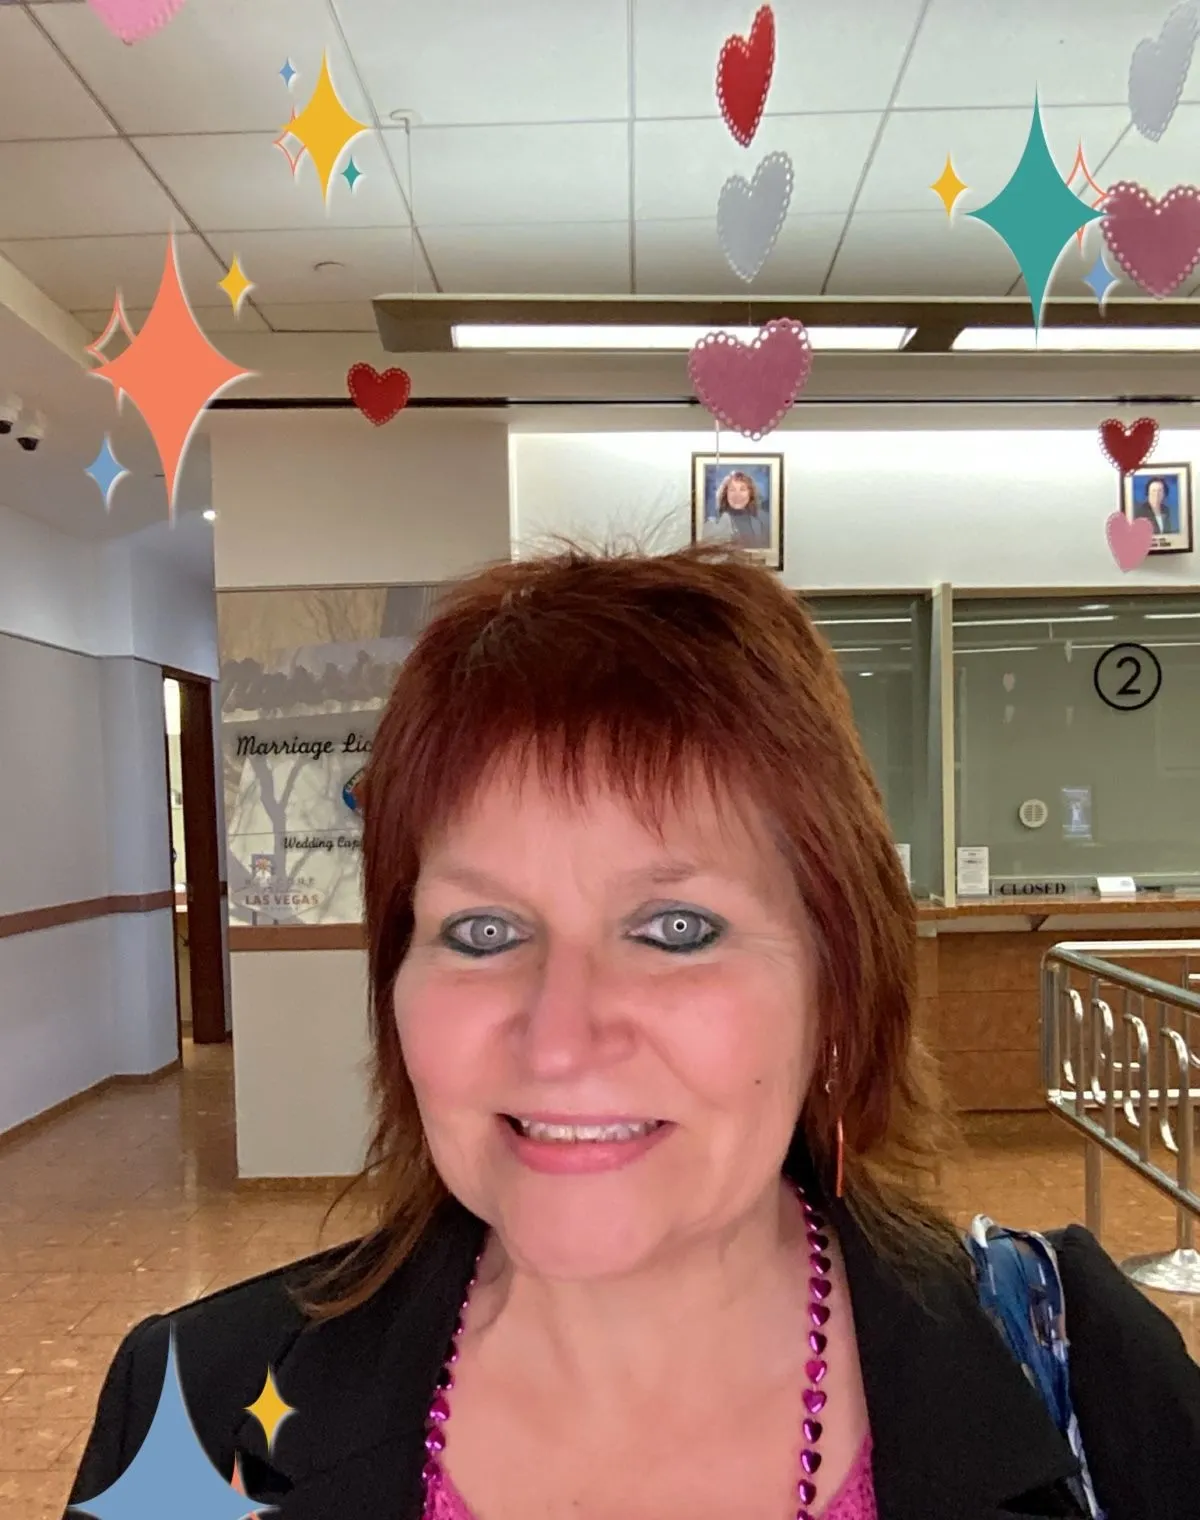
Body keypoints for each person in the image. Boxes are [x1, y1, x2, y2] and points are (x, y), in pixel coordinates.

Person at [69, 544, 1198, 1520]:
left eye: (675, 928)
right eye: (483, 930)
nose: (559, 1039)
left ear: (838, 985)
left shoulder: (1081, 1372)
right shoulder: (193, 1410)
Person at [704, 468, 770, 548]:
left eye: (742, 489)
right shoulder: (714, 522)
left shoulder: (766, 520)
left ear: (750, 493)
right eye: (732, 490)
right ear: (725, 494)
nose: (737, 495)